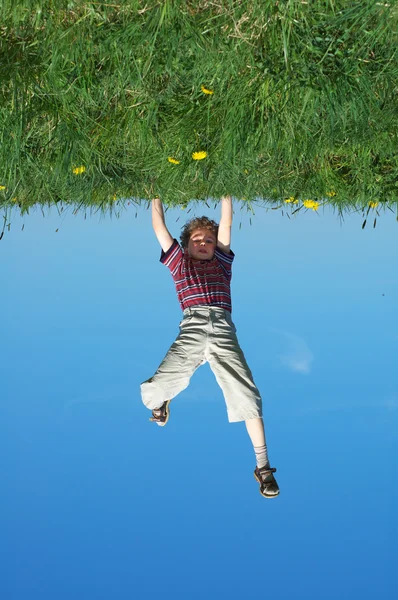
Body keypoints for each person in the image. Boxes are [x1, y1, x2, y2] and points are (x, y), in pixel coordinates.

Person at [140, 196, 279, 498]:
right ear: (187, 245)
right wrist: (154, 195)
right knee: (151, 391)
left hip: (223, 330)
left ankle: (263, 466)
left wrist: (225, 196)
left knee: (248, 395)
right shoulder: (179, 263)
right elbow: (159, 228)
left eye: (209, 239)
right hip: (192, 328)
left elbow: (226, 224)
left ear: (216, 246)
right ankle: (161, 403)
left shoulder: (222, 262)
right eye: (197, 239)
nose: (203, 242)